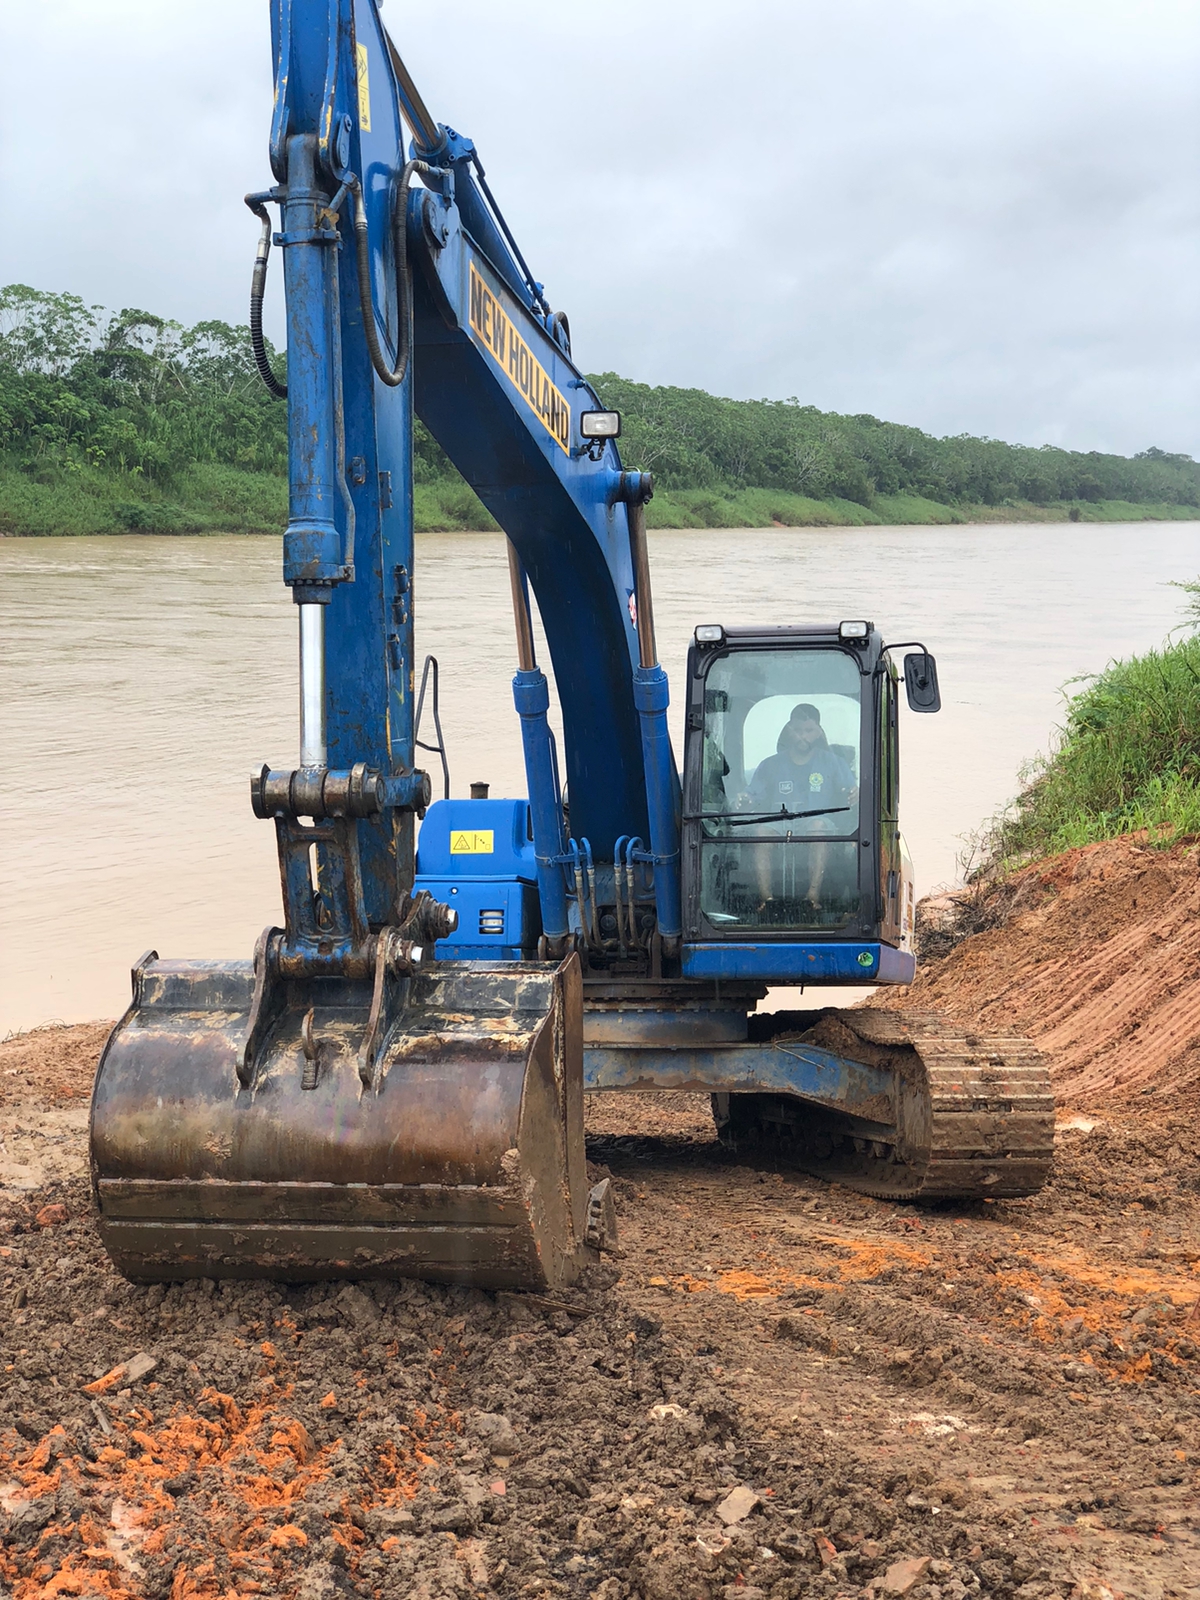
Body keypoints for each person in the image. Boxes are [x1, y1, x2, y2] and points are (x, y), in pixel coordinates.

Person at [743, 704, 855, 913]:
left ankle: (812, 896)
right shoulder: (770, 764)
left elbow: (851, 791)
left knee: (818, 827)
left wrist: (854, 793)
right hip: (779, 821)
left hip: (816, 821)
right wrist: (744, 799)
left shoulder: (834, 763)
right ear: (788, 730)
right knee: (760, 832)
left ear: (819, 732)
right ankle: (766, 899)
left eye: (808, 731)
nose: (802, 736)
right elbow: (752, 795)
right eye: (797, 730)